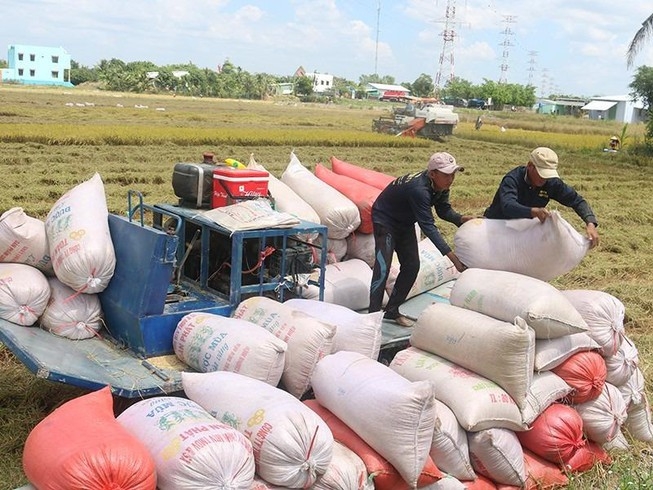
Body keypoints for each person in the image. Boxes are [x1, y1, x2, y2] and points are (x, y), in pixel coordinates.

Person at [369, 152, 472, 327]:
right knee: (383, 267)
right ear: (433, 174)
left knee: (412, 266)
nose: (451, 179)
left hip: (405, 222)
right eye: (447, 175)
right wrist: (453, 258)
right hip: (385, 220)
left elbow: (444, 211)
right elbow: (428, 226)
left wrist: (461, 219)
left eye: (453, 174)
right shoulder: (419, 190)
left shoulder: (441, 186)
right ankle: (371, 318)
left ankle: (392, 310)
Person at [483, 146, 600, 248]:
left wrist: (590, 223)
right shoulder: (513, 179)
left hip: (524, 232)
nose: (543, 179)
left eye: (547, 175)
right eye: (541, 173)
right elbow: (508, 206)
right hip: (497, 226)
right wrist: (533, 211)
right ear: (530, 166)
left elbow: (577, 201)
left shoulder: (551, 183)